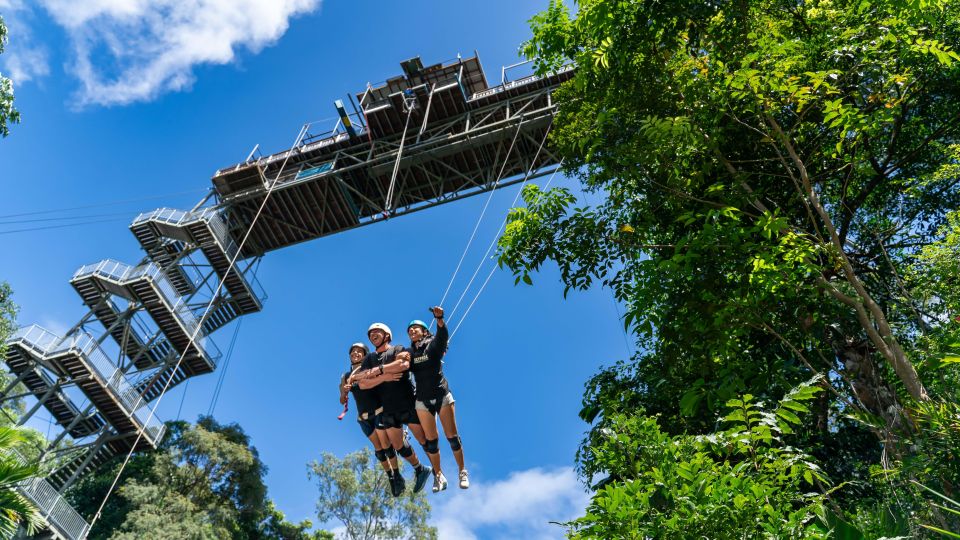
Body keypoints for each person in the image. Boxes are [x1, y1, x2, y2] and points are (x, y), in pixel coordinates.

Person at [354, 322, 433, 496]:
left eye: (377, 332)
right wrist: (386, 377)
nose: (373, 335)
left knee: (424, 439)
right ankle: (420, 469)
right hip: (388, 408)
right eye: (370, 333)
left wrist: (377, 371)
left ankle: (437, 470)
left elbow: (403, 365)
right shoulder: (369, 359)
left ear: (386, 335)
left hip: (407, 402)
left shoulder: (397, 348)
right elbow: (362, 383)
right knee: (397, 445)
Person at [405, 306, 469, 492]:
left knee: (452, 438)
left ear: (425, 331)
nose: (411, 331)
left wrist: (440, 319)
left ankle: (462, 471)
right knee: (431, 442)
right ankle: (438, 475)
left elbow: (442, 337)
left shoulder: (433, 344)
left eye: (415, 328)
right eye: (409, 329)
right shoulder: (410, 354)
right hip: (423, 399)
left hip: (442, 396)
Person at [339, 342, 405, 494]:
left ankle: (397, 474)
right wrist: (344, 392)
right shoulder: (346, 376)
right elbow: (342, 400)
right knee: (379, 450)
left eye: (359, 351)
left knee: (386, 446)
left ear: (364, 354)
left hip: (378, 411)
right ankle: (391, 478)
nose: (355, 353)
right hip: (363, 417)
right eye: (353, 351)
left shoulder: (369, 368)